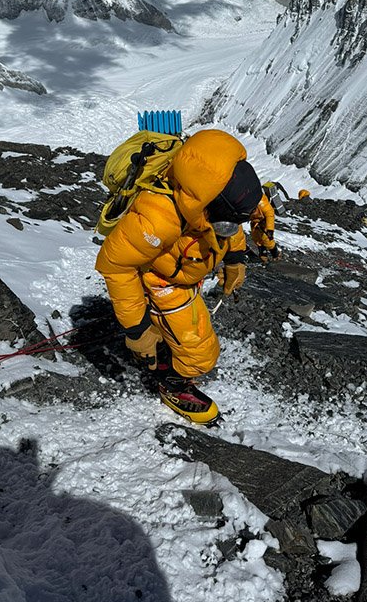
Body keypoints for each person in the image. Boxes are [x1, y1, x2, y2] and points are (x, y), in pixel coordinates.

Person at [95, 129, 262, 425]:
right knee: (200, 355)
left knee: (185, 339)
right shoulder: (159, 219)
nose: (232, 228)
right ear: (206, 205)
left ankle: (163, 338)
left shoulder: (216, 184)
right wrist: (137, 330)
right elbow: (115, 265)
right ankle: (172, 386)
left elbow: (228, 227)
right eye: (227, 222)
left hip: (179, 266)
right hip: (163, 280)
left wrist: (235, 259)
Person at [249, 191, 281, 263]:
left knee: (266, 239)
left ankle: (275, 254)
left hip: (263, 221)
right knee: (256, 238)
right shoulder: (246, 202)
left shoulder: (261, 202)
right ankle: (263, 254)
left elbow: (269, 214)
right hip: (255, 222)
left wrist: (270, 229)